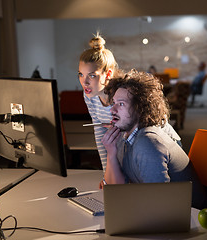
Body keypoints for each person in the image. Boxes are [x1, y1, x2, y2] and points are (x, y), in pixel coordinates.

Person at [78, 33, 181, 181]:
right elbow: (100, 131)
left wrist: (113, 176)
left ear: (108, 74)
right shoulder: (89, 96)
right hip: (133, 145)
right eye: (81, 74)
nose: (84, 82)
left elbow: (141, 134)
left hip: (156, 144)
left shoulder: (122, 95)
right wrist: (106, 174)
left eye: (92, 75)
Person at [101, 70, 207, 209]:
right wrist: (111, 153)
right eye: (114, 102)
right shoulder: (125, 137)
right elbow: (116, 189)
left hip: (188, 219)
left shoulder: (148, 143)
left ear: (140, 108)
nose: (112, 110)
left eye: (121, 104)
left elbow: (160, 205)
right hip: (161, 212)